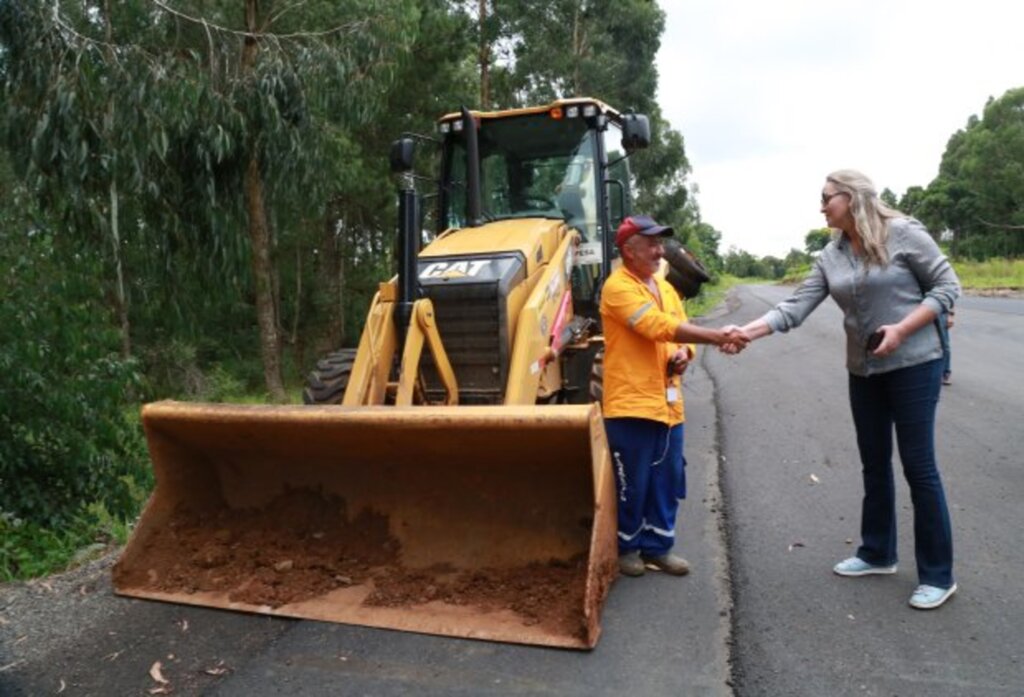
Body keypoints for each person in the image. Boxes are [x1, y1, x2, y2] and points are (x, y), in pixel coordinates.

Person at [727, 169, 961, 609]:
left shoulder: (905, 234)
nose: (821, 206)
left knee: (919, 467)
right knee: (874, 464)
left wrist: (903, 329)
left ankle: (938, 574)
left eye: (826, 197)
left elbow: (949, 287)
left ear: (852, 198)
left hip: (914, 365)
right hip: (864, 370)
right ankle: (877, 552)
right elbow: (794, 307)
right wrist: (745, 331)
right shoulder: (830, 256)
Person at [600, 215, 748, 577]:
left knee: (667, 478)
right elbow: (656, 327)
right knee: (631, 483)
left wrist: (686, 353)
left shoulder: (665, 289)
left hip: (668, 405)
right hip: (631, 404)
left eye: (660, 243)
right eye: (651, 243)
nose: (659, 250)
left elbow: (676, 335)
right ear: (628, 250)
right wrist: (715, 337)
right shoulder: (617, 287)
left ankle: (658, 547)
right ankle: (627, 548)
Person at [938, 307, 954, 385]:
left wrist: (950, 315)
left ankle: (945, 373)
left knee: (944, 345)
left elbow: (950, 299)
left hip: (941, 313)